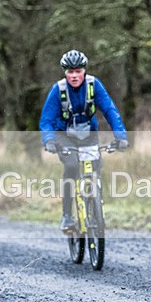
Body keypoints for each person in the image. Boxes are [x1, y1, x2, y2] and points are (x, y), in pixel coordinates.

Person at [40, 49, 128, 231]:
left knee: (95, 167)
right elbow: (47, 120)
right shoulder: (58, 89)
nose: (74, 75)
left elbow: (110, 110)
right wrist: (49, 140)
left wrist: (120, 136)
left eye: (78, 71)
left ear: (84, 70)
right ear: (65, 72)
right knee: (72, 166)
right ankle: (67, 216)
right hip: (64, 137)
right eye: (70, 72)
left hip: (88, 136)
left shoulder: (93, 85)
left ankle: (95, 203)